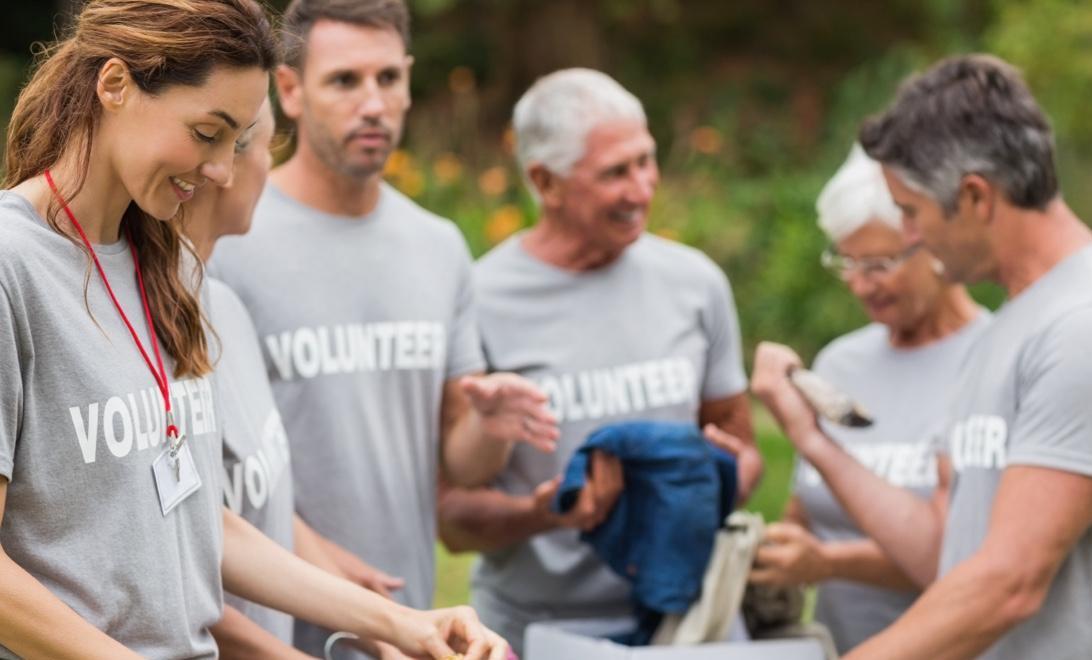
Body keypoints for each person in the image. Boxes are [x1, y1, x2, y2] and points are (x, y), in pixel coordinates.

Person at [0, 2, 507, 658]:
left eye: (238, 141)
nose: (220, 170)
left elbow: (199, 520)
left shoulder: (168, 265)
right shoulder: (14, 264)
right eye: (207, 133)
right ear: (115, 85)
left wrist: (404, 623)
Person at [210, 0, 557, 655]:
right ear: (290, 90)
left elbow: (462, 466)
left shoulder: (439, 245)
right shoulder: (229, 236)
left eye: (388, 78)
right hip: (269, 627)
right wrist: (322, 570)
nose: (373, 104)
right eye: (345, 81)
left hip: (414, 623)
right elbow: (210, 477)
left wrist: (491, 425)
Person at [751, 54, 1092, 660]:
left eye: (910, 212)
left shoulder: (1078, 327)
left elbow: (1010, 584)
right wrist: (811, 439)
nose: (909, 236)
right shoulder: (1007, 328)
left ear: (975, 197)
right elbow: (946, 553)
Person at [437, 68, 762, 655]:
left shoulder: (695, 284)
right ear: (546, 182)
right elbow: (453, 519)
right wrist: (545, 513)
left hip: (685, 624)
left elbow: (744, 451)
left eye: (646, 161)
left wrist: (714, 476)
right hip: (539, 630)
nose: (642, 189)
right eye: (616, 172)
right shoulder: (479, 298)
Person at [746, 143, 989, 654]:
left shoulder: (989, 358)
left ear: (932, 242)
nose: (859, 285)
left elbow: (963, 557)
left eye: (877, 264)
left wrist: (829, 564)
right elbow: (807, 510)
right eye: (846, 262)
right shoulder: (840, 364)